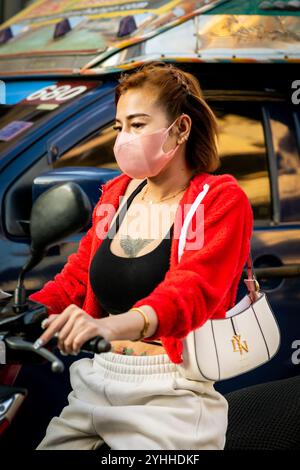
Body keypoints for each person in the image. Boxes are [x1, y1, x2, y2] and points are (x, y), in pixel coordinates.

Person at [29, 61, 254, 450]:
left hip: (168, 395)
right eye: (120, 127)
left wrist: (110, 327)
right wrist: (23, 311)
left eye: (137, 124)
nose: (124, 138)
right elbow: (76, 278)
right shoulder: (119, 193)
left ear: (181, 128)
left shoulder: (220, 199)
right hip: (95, 381)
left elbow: (190, 291)